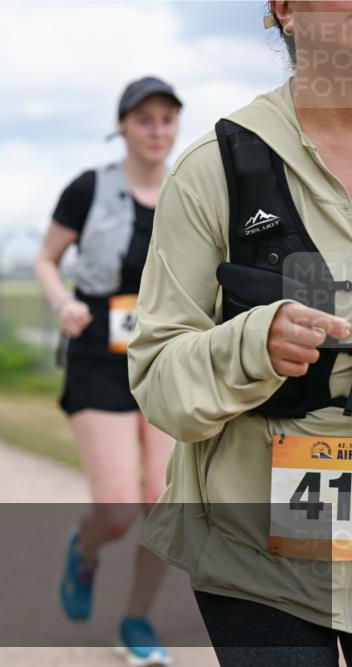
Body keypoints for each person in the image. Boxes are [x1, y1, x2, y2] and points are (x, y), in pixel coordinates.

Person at [128, 3, 352, 665]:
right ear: (285, 8)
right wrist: (253, 342)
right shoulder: (214, 170)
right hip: (254, 534)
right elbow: (159, 378)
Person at [35, 76, 182, 663]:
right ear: (122, 125)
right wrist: (62, 302)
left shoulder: (193, 188)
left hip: (167, 353)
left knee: (167, 502)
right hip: (99, 352)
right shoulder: (89, 188)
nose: (157, 130)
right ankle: (86, 550)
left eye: (167, 119)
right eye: (144, 119)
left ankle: (138, 620)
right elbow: (47, 259)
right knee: (120, 508)